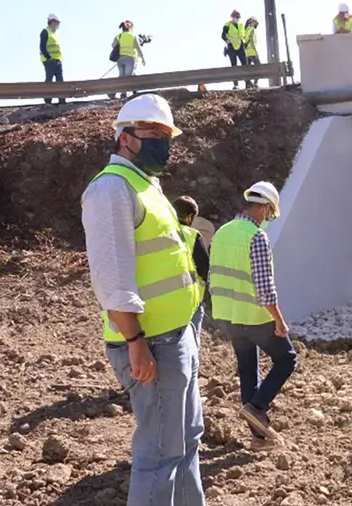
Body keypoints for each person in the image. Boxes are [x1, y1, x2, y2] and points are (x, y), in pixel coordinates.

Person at [80, 94, 205, 505]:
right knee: (159, 453)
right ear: (124, 138)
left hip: (176, 333)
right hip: (150, 342)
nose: (161, 142)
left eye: (165, 135)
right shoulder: (112, 189)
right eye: (151, 133)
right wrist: (135, 342)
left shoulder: (148, 186)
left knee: (187, 440)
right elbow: (112, 276)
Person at [209, 181, 297, 452]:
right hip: (254, 316)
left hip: (228, 316)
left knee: (248, 369)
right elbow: (265, 289)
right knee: (287, 359)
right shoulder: (256, 237)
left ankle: (258, 438)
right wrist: (279, 320)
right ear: (264, 208)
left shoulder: (223, 232)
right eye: (269, 213)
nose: (269, 218)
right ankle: (257, 407)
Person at [173, 195, 209, 347]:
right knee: (191, 345)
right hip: (190, 301)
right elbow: (205, 269)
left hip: (160, 300)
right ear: (189, 217)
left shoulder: (159, 231)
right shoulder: (192, 235)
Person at [110, 20, 146, 100]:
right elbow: (138, 48)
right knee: (128, 76)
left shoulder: (118, 36)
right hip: (130, 59)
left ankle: (116, 92)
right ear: (130, 28)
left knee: (122, 76)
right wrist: (143, 58)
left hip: (120, 59)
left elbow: (113, 45)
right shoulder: (132, 36)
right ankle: (124, 94)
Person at [40, 14, 66, 105]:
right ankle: (48, 101)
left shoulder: (54, 34)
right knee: (49, 80)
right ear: (52, 22)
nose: (58, 25)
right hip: (49, 61)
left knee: (60, 81)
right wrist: (48, 58)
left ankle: (62, 100)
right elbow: (42, 47)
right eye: (57, 23)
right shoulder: (45, 32)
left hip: (57, 61)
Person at [222, 10, 248, 89]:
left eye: (237, 18)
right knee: (234, 66)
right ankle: (235, 84)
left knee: (244, 64)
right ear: (232, 17)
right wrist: (227, 41)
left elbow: (243, 35)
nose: (236, 19)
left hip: (240, 46)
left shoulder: (241, 25)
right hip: (231, 47)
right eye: (235, 17)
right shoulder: (227, 25)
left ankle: (247, 82)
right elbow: (223, 35)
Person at [243, 17, 260, 89]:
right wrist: (256, 52)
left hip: (247, 52)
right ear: (252, 23)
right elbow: (252, 42)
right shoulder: (252, 30)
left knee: (248, 70)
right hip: (252, 52)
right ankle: (255, 83)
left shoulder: (246, 30)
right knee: (259, 67)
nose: (255, 24)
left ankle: (248, 85)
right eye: (254, 22)